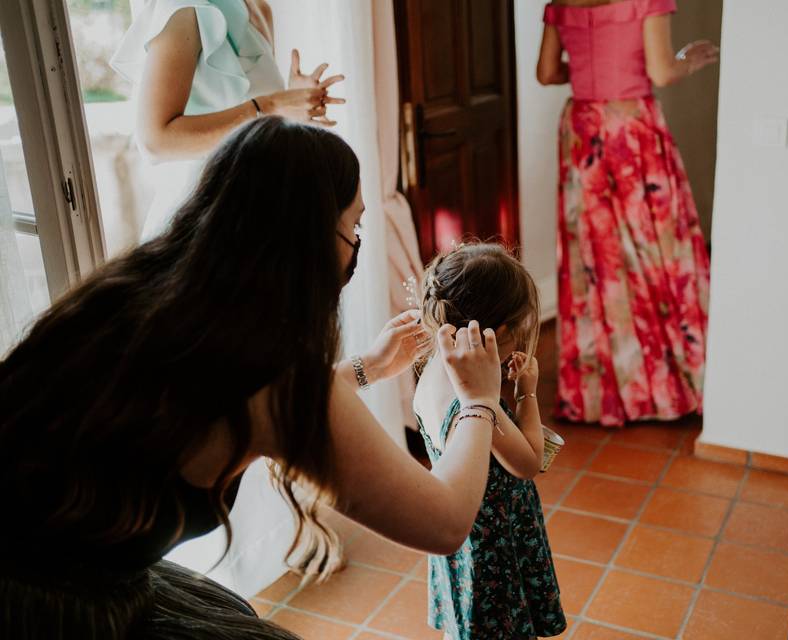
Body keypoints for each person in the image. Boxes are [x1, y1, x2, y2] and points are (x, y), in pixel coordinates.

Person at [0, 118, 505, 639]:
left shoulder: (142, 293)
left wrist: (368, 367)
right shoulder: (276, 377)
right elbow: (444, 523)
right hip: (51, 611)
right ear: (308, 239)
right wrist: (478, 400)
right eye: (352, 229)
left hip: (54, 554)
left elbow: (234, 411)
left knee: (236, 614)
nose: (355, 246)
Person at [537, 0, 718, 426]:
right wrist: (686, 60)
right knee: (657, 246)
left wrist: (585, 70)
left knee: (595, 257)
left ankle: (601, 394)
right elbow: (660, 71)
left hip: (583, 130)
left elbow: (546, 74)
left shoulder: (559, 5)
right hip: (630, 128)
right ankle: (667, 382)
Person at [415, 243, 566, 639]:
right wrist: (526, 394)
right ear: (499, 333)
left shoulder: (434, 370)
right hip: (494, 547)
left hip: (463, 542)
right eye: (519, 329)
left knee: (466, 624)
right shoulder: (479, 405)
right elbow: (530, 460)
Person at [111, 0, 345, 239]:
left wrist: (293, 102)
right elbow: (155, 141)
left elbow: (255, 126)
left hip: (255, 213)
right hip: (198, 223)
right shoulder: (184, 8)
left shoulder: (261, 10)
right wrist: (273, 105)